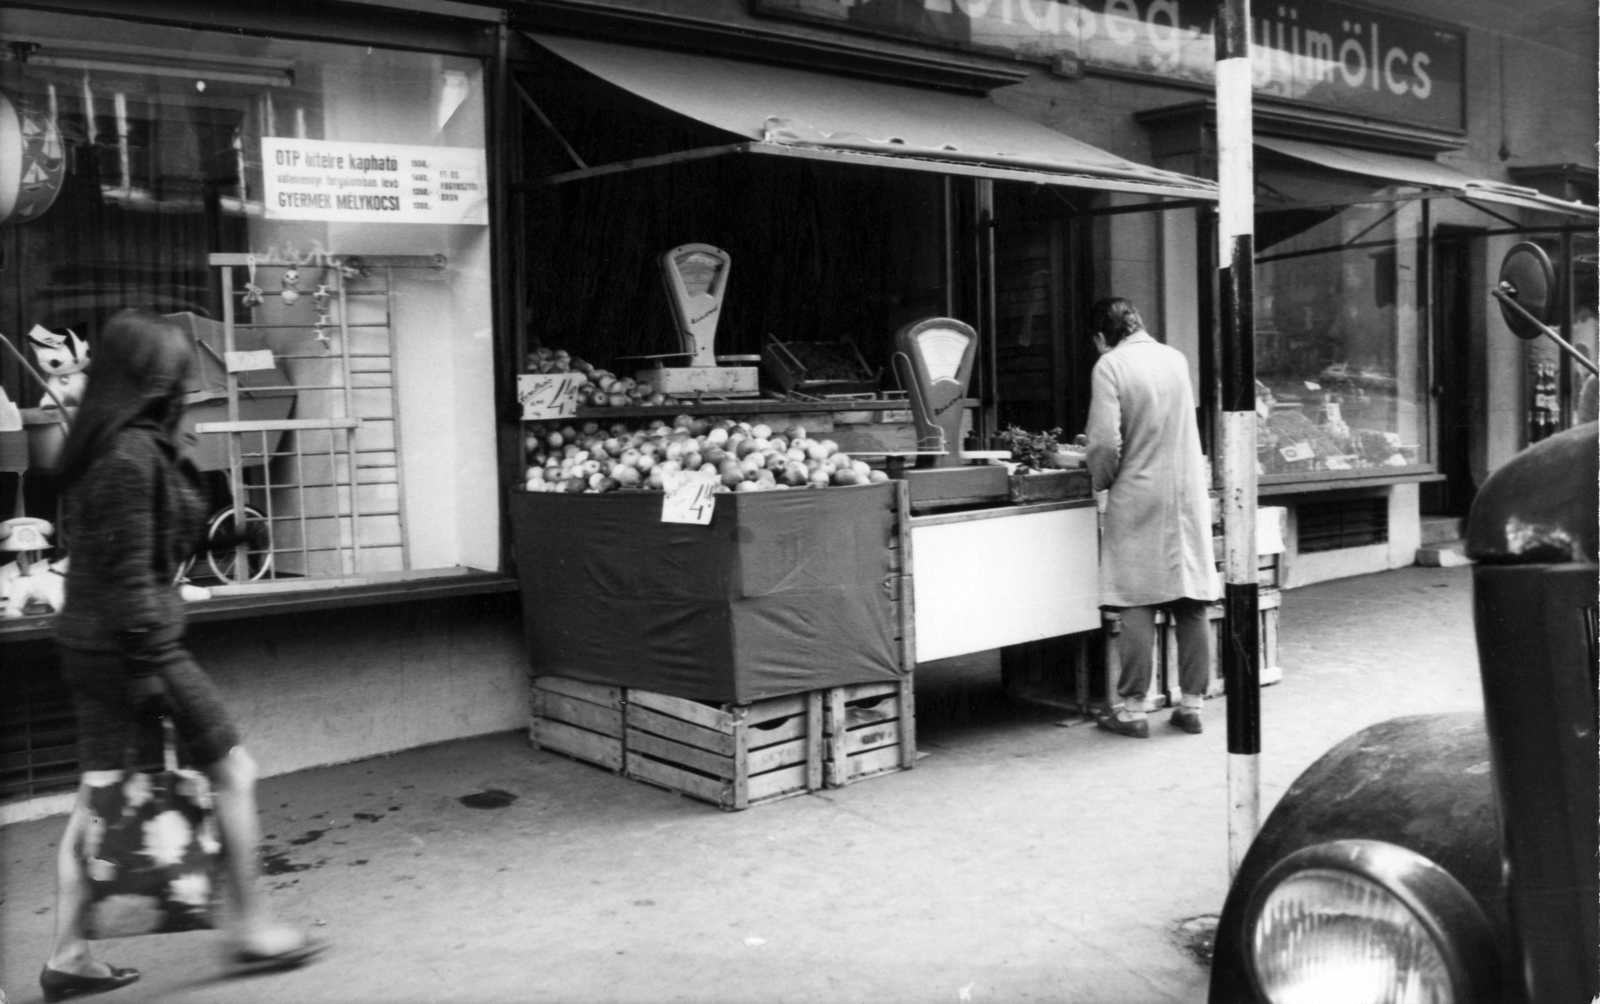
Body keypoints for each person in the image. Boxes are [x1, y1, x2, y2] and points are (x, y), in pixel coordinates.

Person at [41, 310, 322, 1002]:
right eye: (176, 377)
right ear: (151, 381)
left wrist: (217, 537)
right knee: (232, 769)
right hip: (137, 647)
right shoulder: (130, 455)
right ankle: (250, 928)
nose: (186, 389)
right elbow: (135, 573)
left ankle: (70, 954)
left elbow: (155, 539)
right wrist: (146, 674)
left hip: (104, 644)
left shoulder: (117, 446)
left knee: (100, 801)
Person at [1084, 297, 1219, 739]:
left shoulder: (1110, 366)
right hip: (1186, 491)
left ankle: (1133, 709)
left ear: (1103, 336)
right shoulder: (1176, 358)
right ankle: (1193, 705)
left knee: (1134, 597)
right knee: (1190, 595)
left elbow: (1104, 443)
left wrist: (1102, 480)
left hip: (1138, 491)